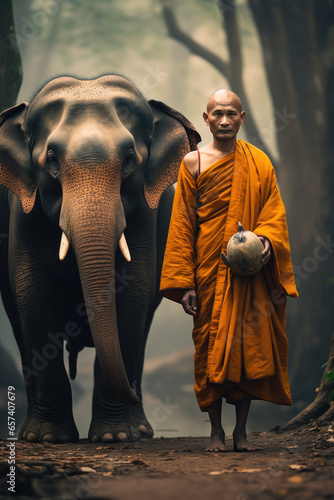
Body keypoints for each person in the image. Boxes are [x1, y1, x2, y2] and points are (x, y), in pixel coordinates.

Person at [160, 89, 298, 452]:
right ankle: (216, 434)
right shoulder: (192, 163)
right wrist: (183, 281)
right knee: (209, 346)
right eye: (216, 114)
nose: (224, 120)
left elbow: (274, 212)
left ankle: (241, 433)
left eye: (231, 114)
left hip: (249, 273)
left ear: (242, 118)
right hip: (207, 269)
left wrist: (267, 240)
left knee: (246, 348)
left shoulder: (259, 163)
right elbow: (182, 225)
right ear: (205, 119)